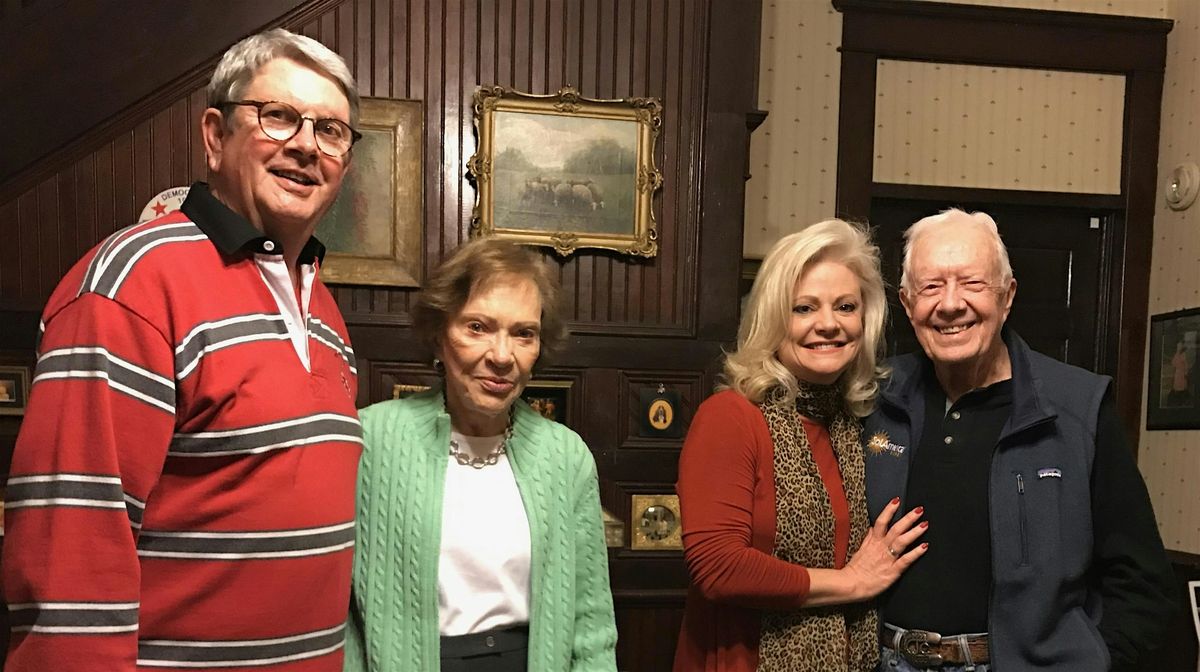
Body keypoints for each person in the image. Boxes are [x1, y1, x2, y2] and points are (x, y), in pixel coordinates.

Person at [4, 29, 363, 671]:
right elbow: (70, 558)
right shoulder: (131, 284)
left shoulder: (321, 304)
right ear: (215, 136)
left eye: (331, 131)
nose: (307, 145)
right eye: (279, 116)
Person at [863, 208, 1176, 672]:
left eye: (972, 283)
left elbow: (1141, 580)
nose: (950, 304)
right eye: (931, 287)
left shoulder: (1078, 407)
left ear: (1007, 296)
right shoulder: (872, 398)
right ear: (908, 305)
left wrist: (1094, 661)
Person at [344, 238, 617, 672]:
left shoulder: (566, 457)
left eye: (523, 334)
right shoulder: (373, 440)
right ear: (439, 335)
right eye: (477, 327)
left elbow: (592, 622)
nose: (502, 356)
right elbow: (340, 614)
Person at [674, 219, 929, 672]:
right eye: (804, 308)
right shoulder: (731, 417)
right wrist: (852, 583)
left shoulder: (857, 423)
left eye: (845, 306)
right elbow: (718, 568)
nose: (828, 324)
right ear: (773, 318)